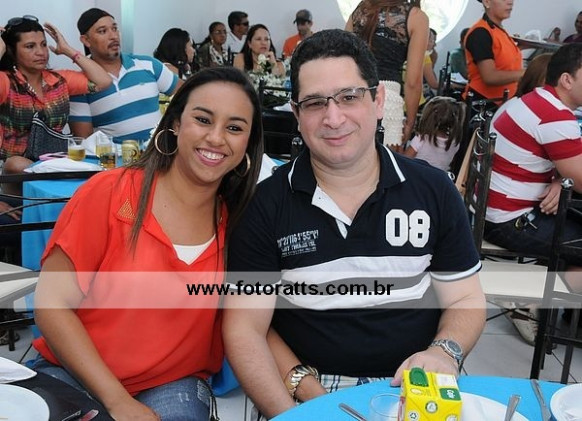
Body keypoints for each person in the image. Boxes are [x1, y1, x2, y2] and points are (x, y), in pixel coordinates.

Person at [223, 29, 486, 420]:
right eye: (315, 103)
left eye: (349, 97)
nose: (333, 118)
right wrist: (295, 413)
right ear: (296, 114)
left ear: (378, 100)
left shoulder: (433, 191)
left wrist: (443, 351)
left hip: (414, 381)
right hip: (308, 385)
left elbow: (465, 299)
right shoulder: (265, 204)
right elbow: (245, 328)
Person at [32, 67, 264, 421]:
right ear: (175, 123)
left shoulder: (240, 223)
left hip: (173, 382)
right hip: (74, 369)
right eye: (203, 119)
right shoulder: (110, 192)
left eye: (234, 128)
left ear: (248, 143)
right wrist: (117, 401)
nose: (216, 138)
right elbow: (52, 306)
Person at [484, 44, 582, 343]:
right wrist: (567, 176)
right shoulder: (555, 116)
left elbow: (570, 169)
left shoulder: (536, 100)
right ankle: (529, 299)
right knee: (578, 244)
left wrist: (560, 178)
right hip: (511, 220)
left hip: (496, 209)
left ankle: (550, 306)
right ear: (567, 80)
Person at [0, 16, 111, 182]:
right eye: (30, 46)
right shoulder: (6, 81)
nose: (41, 52)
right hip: (14, 174)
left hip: (55, 165)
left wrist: (67, 50)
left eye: (43, 44)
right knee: (17, 163)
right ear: (11, 51)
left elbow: (104, 81)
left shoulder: (58, 80)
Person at [69, 8, 181, 144]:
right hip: (116, 156)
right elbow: (84, 141)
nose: (113, 36)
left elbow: (187, 93)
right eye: (103, 31)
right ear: (86, 40)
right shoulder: (81, 85)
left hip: (159, 150)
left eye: (114, 29)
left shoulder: (148, 64)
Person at [346, 0, 429, 145]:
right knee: (384, 159)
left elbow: (344, 59)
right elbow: (413, 82)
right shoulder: (416, 17)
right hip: (387, 100)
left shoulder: (361, 9)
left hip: (353, 94)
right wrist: (410, 122)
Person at [464, 0, 524, 104]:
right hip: (484, 104)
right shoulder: (480, 33)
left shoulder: (498, 29)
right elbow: (490, 77)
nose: (510, 2)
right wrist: (525, 73)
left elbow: (502, 56)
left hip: (503, 101)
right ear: (487, 2)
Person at [394, 96, 465, 172]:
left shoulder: (421, 139)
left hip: (416, 177)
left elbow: (403, 162)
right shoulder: (454, 143)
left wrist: (400, 141)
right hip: (439, 178)